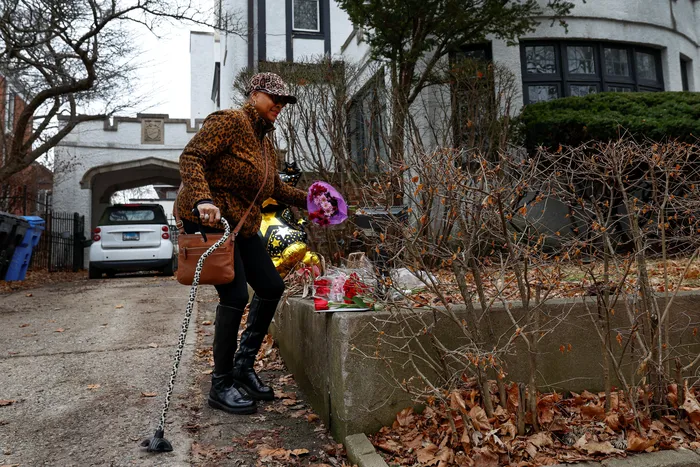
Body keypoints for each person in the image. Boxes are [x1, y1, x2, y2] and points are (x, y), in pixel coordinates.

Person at [175, 73, 308, 415]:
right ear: (254, 95)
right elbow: (192, 157)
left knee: (271, 286)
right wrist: (203, 199)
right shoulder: (230, 121)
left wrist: (311, 201)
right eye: (273, 98)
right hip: (213, 220)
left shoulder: (265, 142)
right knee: (234, 295)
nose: (279, 105)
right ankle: (220, 384)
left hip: (244, 227)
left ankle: (243, 366)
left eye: (283, 101)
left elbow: (274, 187)